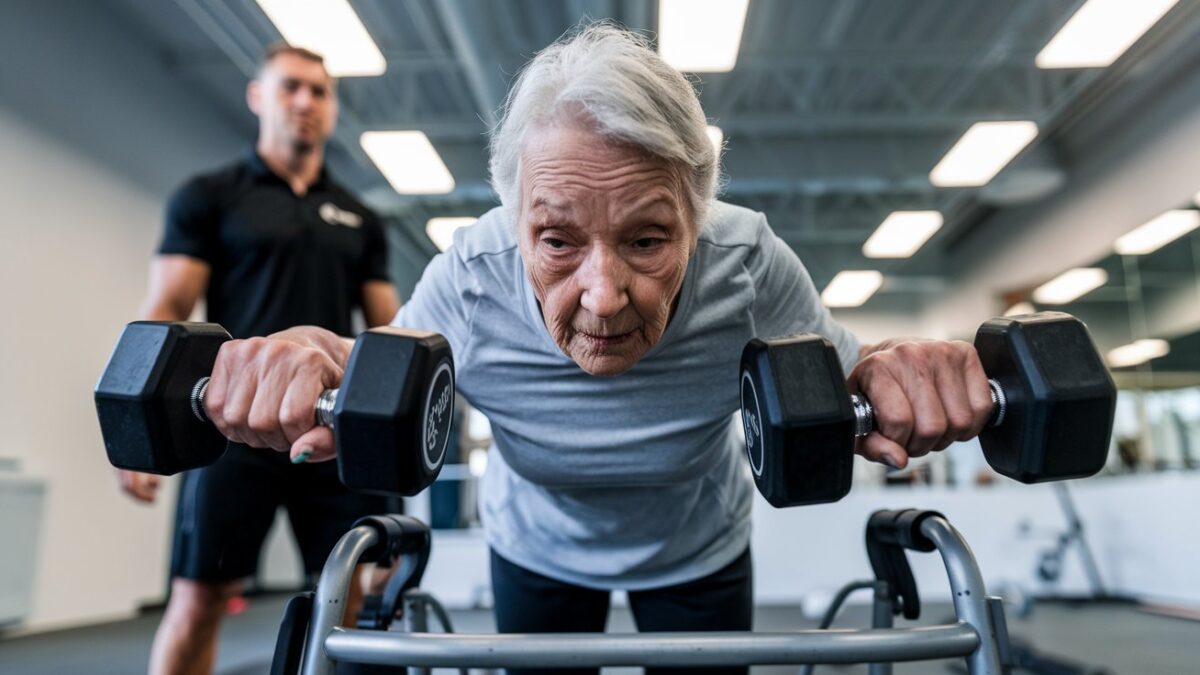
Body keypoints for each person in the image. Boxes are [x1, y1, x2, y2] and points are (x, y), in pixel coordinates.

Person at [200, 24, 995, 675]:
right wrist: (304, 355)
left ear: (699, 216)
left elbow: (857, 376)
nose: (603, 294)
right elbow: (368, 369)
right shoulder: (472, 280)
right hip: (537, 547)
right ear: (514, 221)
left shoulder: (748, 264)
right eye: (557, 241)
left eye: (648, 238)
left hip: (698, 545)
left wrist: (910, 368)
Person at [115, 44, 401, 675]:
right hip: (228, 424)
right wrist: (139, 426)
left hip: (328, 428)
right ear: (258, 97)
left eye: (319, 92)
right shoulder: (210, 197)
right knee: (198, 598)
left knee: (346, 599)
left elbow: (389, 329)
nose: (305, 102)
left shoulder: (359, 217)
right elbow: (168, 304)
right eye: (291, 87)